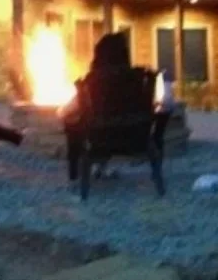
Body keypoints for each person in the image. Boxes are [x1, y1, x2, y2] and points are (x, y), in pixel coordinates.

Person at [61, 32, 171, 186]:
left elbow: (73, 110)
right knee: (163, 115)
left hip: (100, 141)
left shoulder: (92, 81)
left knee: (71, 124)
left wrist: (66, 115)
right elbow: (160, 106)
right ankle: (157, 171)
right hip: (137, 138)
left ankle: (75, 176)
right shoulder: (140, 78)